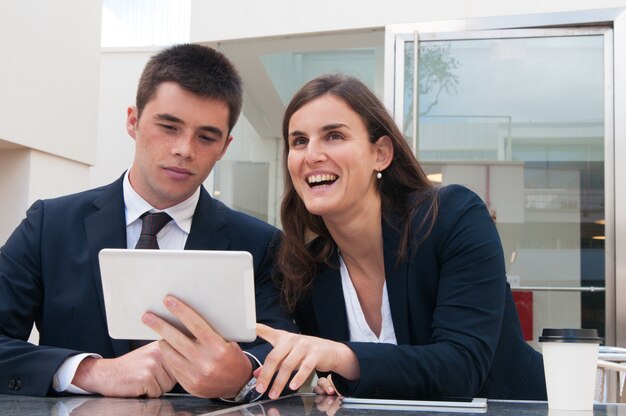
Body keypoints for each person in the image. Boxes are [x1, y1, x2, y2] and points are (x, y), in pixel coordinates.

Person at [0, 43, 296, 399]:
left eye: (206, 137)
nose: (185, 149)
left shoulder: (261, 244)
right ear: (132, 121)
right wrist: (92, 371)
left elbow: (280, 347)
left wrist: (243, 373)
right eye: (169, 127)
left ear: (225, 147)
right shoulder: (50, 224)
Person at [253, 73, 547, 401]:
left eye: (334, 135)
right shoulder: (307, 269)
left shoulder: (453, 217)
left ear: (381, 153)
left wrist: (341, 358)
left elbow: (461, 369)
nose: (312, 155)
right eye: (299, 141)